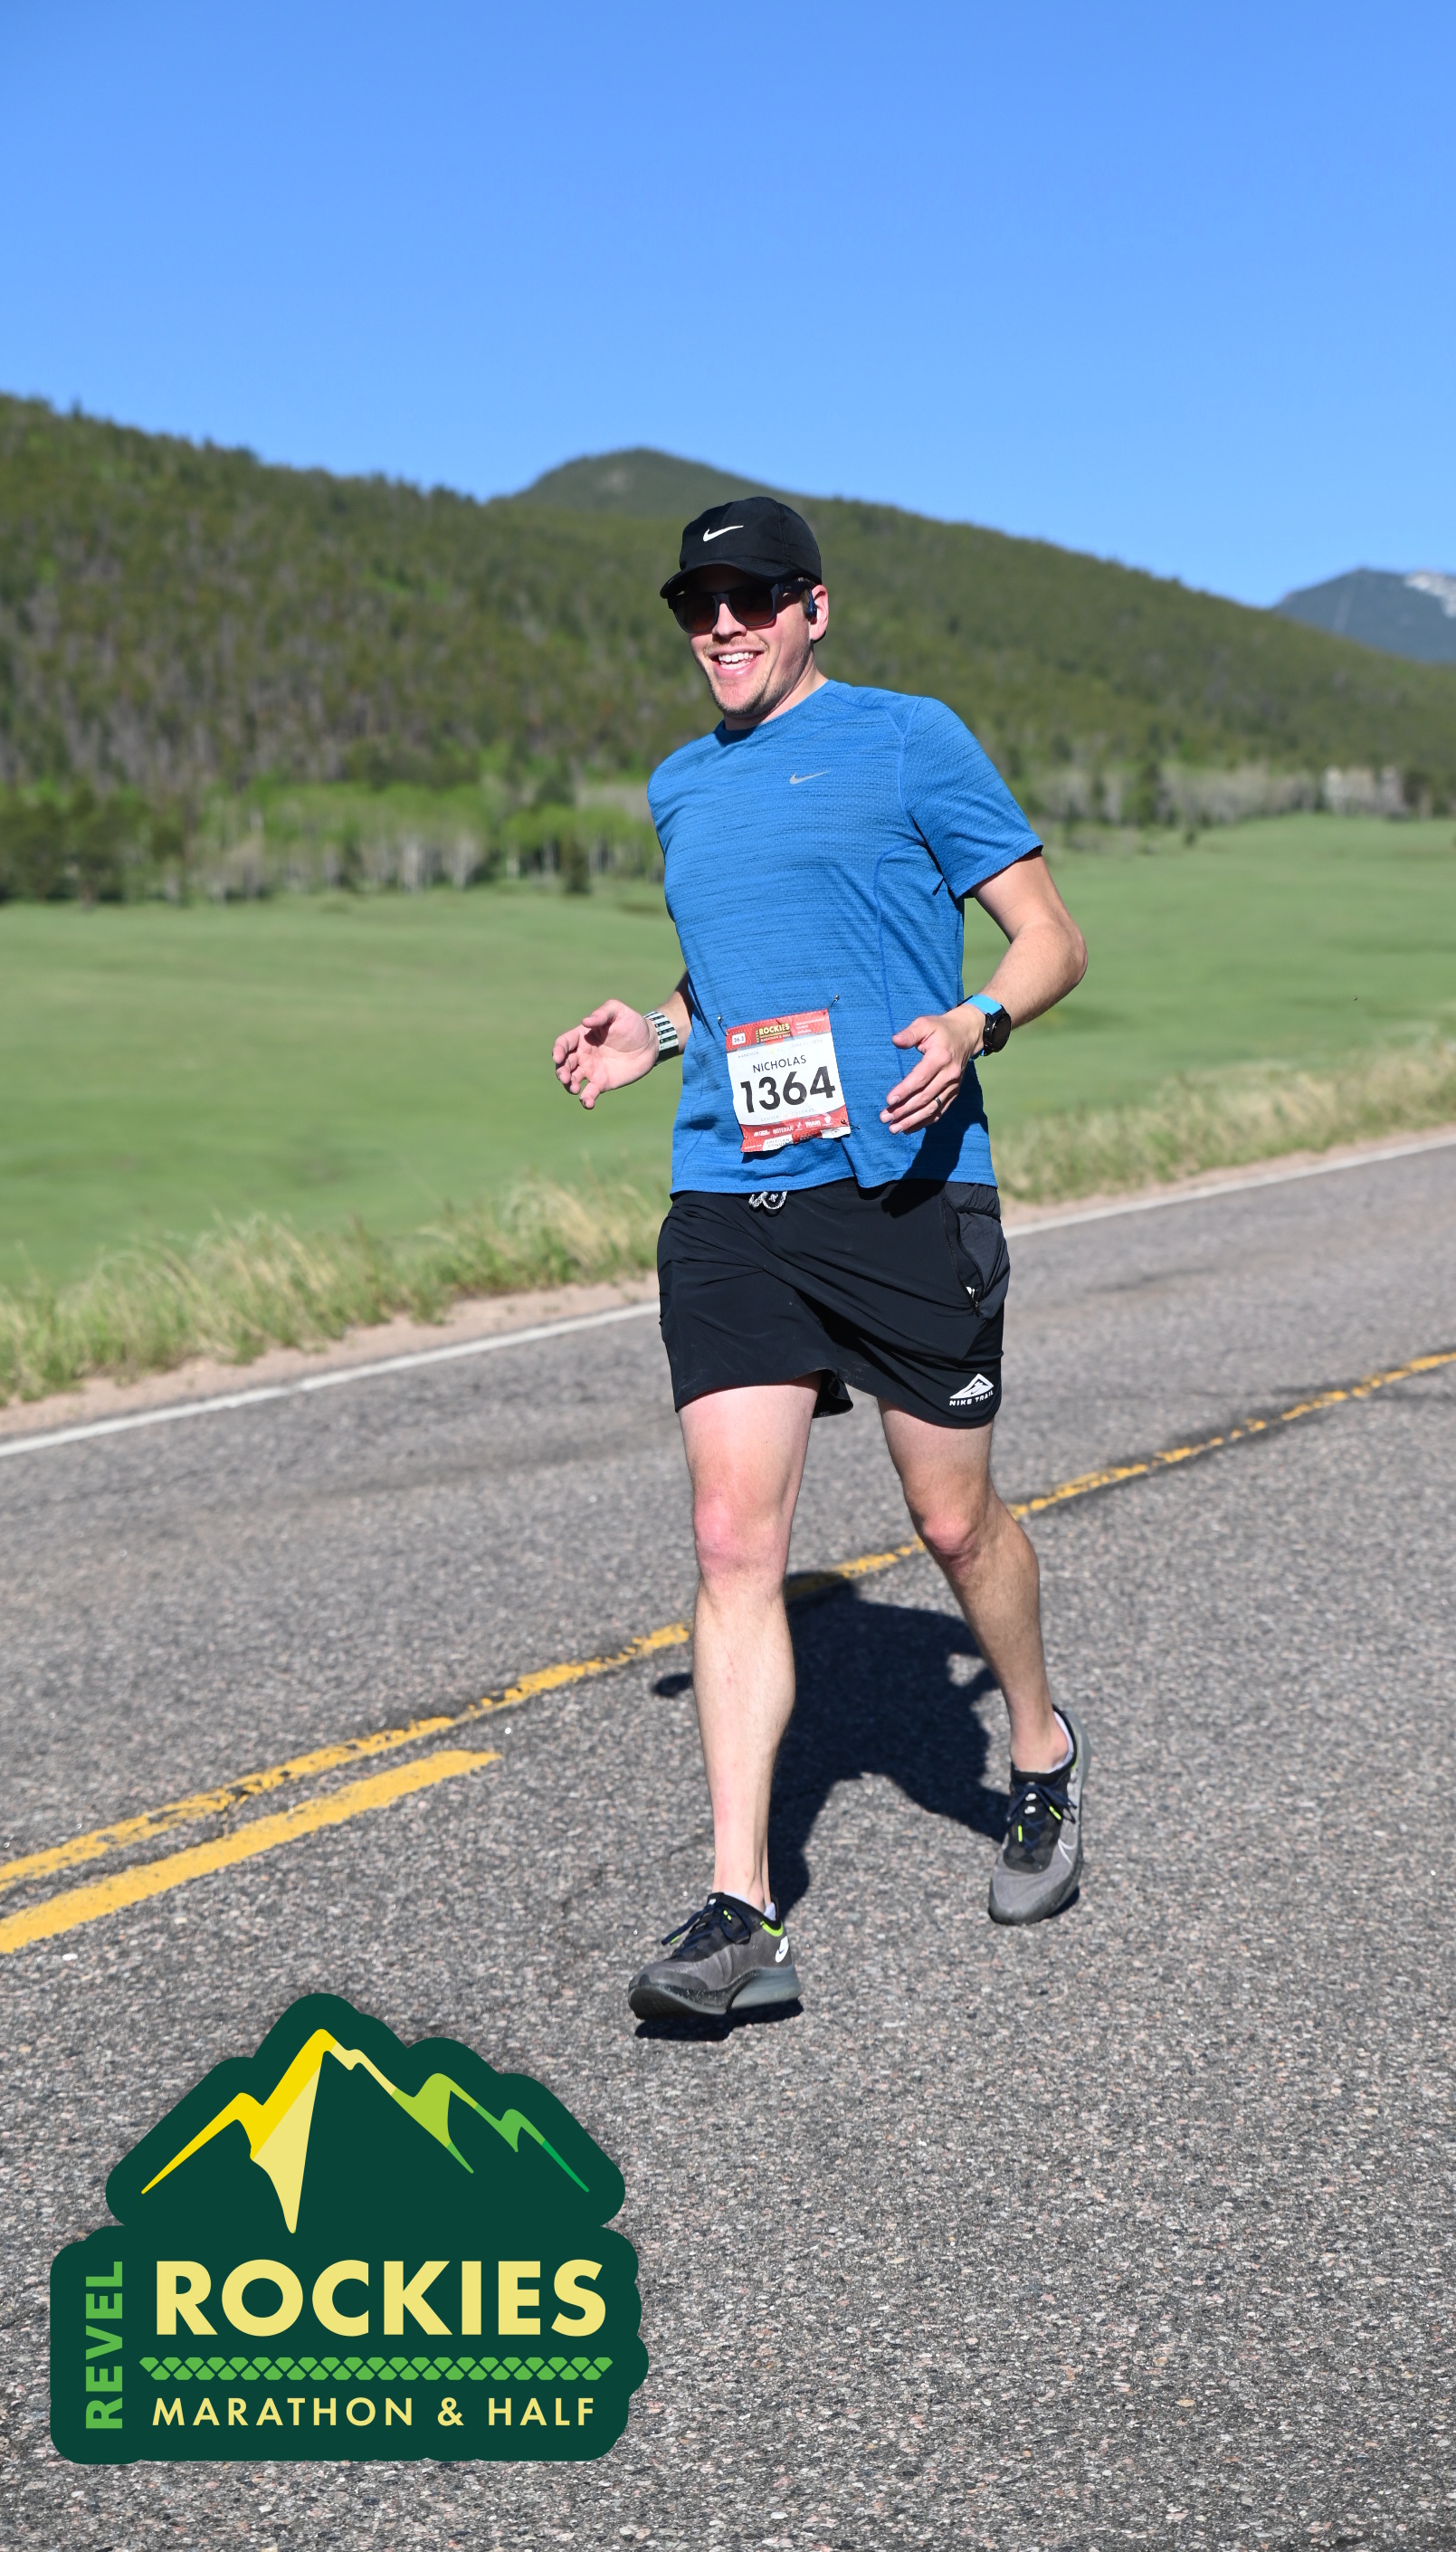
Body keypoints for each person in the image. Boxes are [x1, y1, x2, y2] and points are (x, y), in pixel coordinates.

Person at [551, 495, 1090, 2021]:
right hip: (733, 1193)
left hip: (906, 1187)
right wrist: (657, 1032)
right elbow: (735, 971)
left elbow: (1051, 938)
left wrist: (976, 1022)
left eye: (750, 598)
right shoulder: (680, 785)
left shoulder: (913, 741)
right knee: (733, 1542)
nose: (720, 625)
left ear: (813, 607)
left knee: (952, 1521)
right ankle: (742, 1914)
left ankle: (1040, 1749)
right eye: (695, 605)